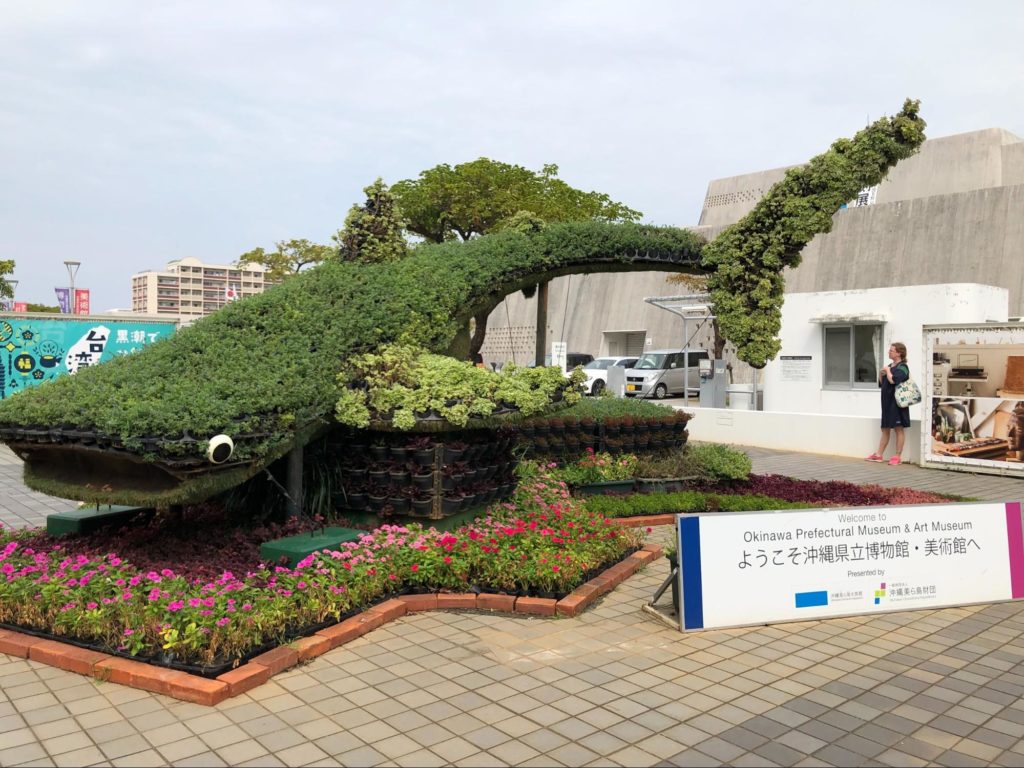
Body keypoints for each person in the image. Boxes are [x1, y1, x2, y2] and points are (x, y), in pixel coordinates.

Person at [865, 342, 911, 465]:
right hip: (886, 403)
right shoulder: (890, 366)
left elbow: (893, 381)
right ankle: (879, 454)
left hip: (897, 404)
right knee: (885, 428)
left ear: (899, 353)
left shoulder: (903, 367)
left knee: (898, 429)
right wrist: (881, 374)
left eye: (891, 350)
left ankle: (897, 456)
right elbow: (883, 383)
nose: (889, 352)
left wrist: (888, 371)